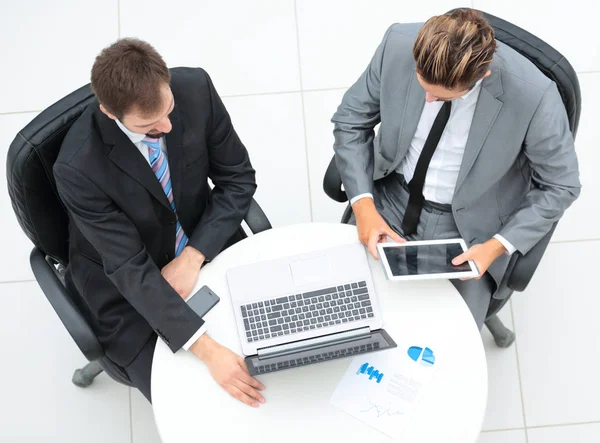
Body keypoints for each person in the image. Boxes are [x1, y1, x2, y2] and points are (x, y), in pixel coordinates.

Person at [331, 8, 581, 329]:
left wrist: (497, 246)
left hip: (472, 230)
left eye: (441, 96)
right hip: (388, 197)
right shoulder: (397, 43)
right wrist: (363, 205)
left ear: (482, 76)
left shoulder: (535, 95)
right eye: (424, 86)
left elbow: (561, 185)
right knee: (342, 310)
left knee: (451, 341)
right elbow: (351, 120)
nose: (429, 99)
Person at [54, 38, 265, 406]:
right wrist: (206, 349)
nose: (166, 126)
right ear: (109, 112)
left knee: (272, 348)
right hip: (126, 284)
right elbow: (126, 265)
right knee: (200, 404)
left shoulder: (195, 89)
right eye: (149, 125)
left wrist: (193, 255)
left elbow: (238, 178)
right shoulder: (77, 168)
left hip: (203, 238)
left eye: (168, 109)